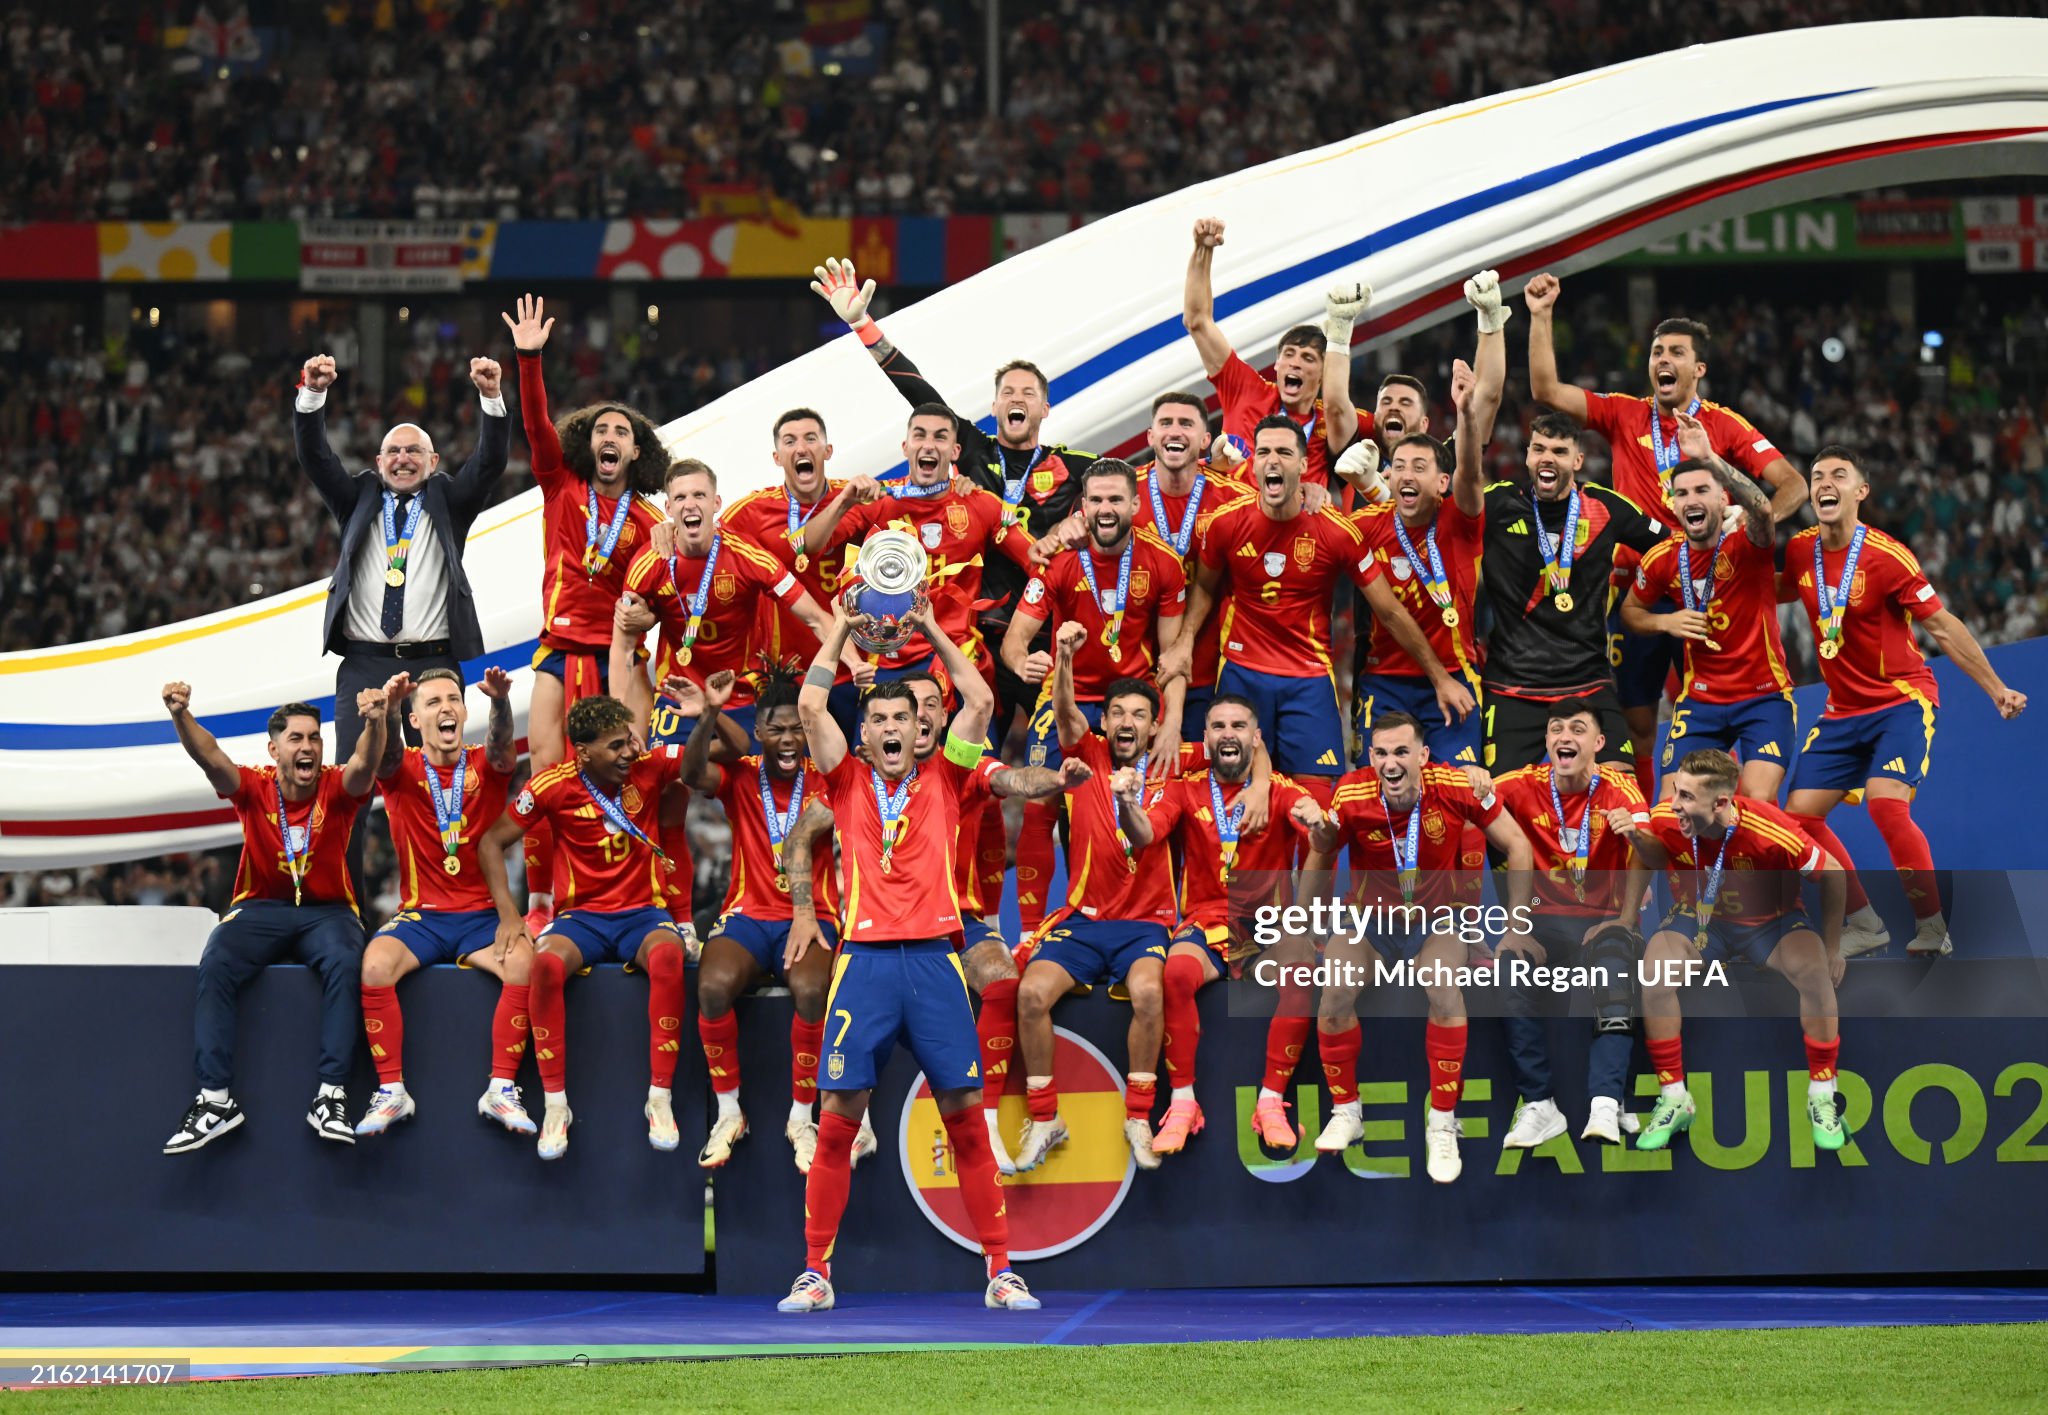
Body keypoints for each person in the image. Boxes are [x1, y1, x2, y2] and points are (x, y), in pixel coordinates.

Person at [778, 598, 1070, 1315]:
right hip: (866, 963)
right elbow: (813, 707)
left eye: (901, 718)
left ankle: (1001, 1269)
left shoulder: (949, 773)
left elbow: (978, 696)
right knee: (838, 1116)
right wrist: (843, 625)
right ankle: (816, 1270)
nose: (889, 729)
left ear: (920, 727)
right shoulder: (843, 779)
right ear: (867, 731)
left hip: (937, 962)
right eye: (877, 720)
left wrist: (933, 625)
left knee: (967, 1116)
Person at [1525, 274, 1806, 793]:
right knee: (1638, 726)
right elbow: (1545, 390)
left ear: (1698, 369)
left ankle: (1729, 828)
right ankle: (1660, 821)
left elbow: (1792, 486)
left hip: (1708, 589)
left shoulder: (1725, 426)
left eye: (1676, 351)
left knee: (1701, 714)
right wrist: (1541, 315)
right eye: (1657, 351)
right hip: (1640, 589)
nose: (1663, 359)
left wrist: (1747, 517)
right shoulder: (1623, 413)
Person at [811, 256, 1098, 735]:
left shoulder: (1076, 466)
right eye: (1007, 392)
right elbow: (915, 389)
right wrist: (862, 324)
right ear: (993, 406)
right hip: (970, 640)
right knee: (964, 757)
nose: (1017, 400)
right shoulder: (968, 451)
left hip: (1033, 634)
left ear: (1046, 407)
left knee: (1055, 752)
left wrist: (1080, 524)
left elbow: (1130, 490)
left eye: (1029, 393)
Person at [1780, 447, 2027, 957]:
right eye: (1817, 476)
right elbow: (1769, 590)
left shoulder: (1888, 557)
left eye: (1838, 476)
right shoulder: (1800, 551)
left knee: (1886, 805)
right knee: (1799, 817)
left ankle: (1933, 927)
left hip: (1900, 700)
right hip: (1841, 708)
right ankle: (1864, 922)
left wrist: (1996, 687)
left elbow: (1943, 626)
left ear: (1860, 492)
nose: (1825, 483)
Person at [1160, 415, 1467, 812]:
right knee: (1238, 795)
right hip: (1240, 670)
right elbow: (1203, 586)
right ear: (1252, 465)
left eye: (1285, 452)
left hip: (1308, 678)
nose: (1273, 461)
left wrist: (1440, 678)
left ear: (1304, 466)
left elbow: (1388, 611)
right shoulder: (1224, 524)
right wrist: (1185, 641)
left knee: (1314, 806)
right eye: (1265, 452)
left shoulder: (1336, 531)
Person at [292, 349, 509, 894]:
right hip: (363, 663)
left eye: (415, 450)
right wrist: (313, 395)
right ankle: (346, 910)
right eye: (394, 450)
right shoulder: (358, 495)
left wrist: (490, 397)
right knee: (350, 787)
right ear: (378, 459)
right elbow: (316, 458)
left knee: (442, 782)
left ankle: (449, 901)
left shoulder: (450, 500)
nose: (404, 458)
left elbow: (488, 465)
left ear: (433, 461)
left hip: (433, 664)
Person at [502, 293, 671, 937]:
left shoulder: (653, 524)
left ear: (635, 454)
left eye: (621, 432)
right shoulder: (559, 486)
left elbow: (667, 597)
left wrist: (666, 563)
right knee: (547, 773)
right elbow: (537, 424)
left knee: (637, 767)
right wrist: (529, 357)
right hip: (560, 648)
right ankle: (542, 900)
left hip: (620, 658)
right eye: (600, 428)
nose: (609, 436)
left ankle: (648, 899)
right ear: (587, 443)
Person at [1305, 714, 1532, 1182]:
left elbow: (1517, 845)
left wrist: (1516, 926)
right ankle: (1347, 1111)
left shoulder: (1455, 787)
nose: (1391, 764)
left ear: (1423, 757)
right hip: (1369, 924)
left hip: (1439, 922)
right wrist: (1300, 926)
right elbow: (1321, 854)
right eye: (1381, 754)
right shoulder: (1350, 794)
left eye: (1402, 752)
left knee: (1443, 984)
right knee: (1334, 992)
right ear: (1370, 758)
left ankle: (1443, 1124)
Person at [160, 684, 386, 1154]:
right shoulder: (254, 788)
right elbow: (211, 758)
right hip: (261, 908)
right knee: (218, 957)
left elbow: (365, 765)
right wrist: (182, 715)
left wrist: (374, 721)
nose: (308, 747)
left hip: (327, 912)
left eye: (314, 738)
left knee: (349, 960)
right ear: (274, 748)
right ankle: (215, 1101)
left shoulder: (336, 787)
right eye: (297, 739)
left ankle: (331, 1096)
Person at [479, 696, 692, 1161]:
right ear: (583, 751)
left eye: (628, 741)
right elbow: (491, 841)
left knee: (669, 957)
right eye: (614, 746)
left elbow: (715, 755)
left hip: (643, 913)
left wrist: (708, 713)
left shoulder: (648, 766)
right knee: (546, 966)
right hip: (583, 920)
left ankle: (661, 1098)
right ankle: (556, 1107)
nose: (626, 754)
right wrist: (510, 916)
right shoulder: (552, 785)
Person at [1112, 694, 1319, 1156]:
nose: (1229, 733)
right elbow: (1145, 834)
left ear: (1256, 737)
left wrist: (1316, 822)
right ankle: (1184, 1104)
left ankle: (1270, 1102)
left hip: (1268, 926)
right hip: (1206, 921)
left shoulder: (1281, 789)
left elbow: (1323, 836)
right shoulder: (1185, 789)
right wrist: (1128, 804)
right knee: (1175, 975)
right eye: (1219, 726)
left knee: (1302, 971)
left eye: (1240, 725)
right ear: (1204, 739)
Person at [1619, 749, 1850, 1153]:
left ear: (1722, 803)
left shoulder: (1771, 830)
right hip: (1699, 920)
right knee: (1654, 975)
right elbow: (1650, 854)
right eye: (1676, 792)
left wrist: (1833, 948)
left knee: (1814, 972)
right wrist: (1627, 915)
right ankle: (1675, 1099)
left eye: (1687, 797)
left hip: (1771, 925)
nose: (1675, 804)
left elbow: (1833, 874)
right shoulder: (1667, 819)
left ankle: (1823, 1096)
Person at [1014, 628, 1183, 1172]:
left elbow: (1144, 837)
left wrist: (1129, 801)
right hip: (1084, 923)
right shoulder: (1085, 753)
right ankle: (1044, 1118)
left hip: (1145, 926)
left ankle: (1138, 1116)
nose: (1127, 723)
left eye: (1138, 714)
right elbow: (1064, 715)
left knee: (1148, 994)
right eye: (1117, 714)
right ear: (1105, 722)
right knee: (1032, 993)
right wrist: (1063, 657)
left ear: (1154, 724)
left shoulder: (1169, 774)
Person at [1002, 459, 1187, 930]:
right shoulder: (1059, 562)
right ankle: (1028, 933)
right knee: (1042, 798)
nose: (1106, 509)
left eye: (1115, 500)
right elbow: (1014, 643)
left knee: (1157, 808)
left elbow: (1172, 658)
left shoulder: (1163, 562)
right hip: (1070, 695)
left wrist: (1171, 723)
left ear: (1135, 504)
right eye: (1097, 500)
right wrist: (1024, 662)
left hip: (1134, 703)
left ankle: (1165, 919)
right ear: (1083, 508)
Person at [672, 665, 842, 1173]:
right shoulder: (742, 774)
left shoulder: (831, 778)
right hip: (748, 913)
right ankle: (729, 1113)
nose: (789, 740)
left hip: (814, 915)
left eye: (798, 729)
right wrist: (710, 715)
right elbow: (689, 774)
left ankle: (802, 1118)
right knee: (712, 986)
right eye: (778, 730)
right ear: (761, 733)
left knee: (813, 992)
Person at [355, 666, 536, 1138]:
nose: (446, 709)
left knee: (524, 966)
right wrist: (389, 710)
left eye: (453, 699)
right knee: (374, 966)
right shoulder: (400, 771)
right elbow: (387, 754)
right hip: (421, 919)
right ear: (416, 721)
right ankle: (391, 1091)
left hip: (481, 918)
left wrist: (498, 701)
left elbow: (503, 746)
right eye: (432, 703)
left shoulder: (484, 764)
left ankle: (501, 1088)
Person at [1453, 393, 1671, 774]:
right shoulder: (1500, 502)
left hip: (1586, 681)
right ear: (1527, 456)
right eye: (1538, 449)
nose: (1547, 458)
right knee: (1498, 804)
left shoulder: (1605, 506)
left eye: (1558, 450)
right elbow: (1461, 490)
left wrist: (1640, 596)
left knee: (1620, 789)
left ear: (1577, 460)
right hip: (1512, 686)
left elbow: (1672, 548)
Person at [1490, 700, 1652, 1146]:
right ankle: (1540, 1104)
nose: (1565, 736)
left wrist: (1624, 917)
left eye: (1578, 729)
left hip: (1601, 923)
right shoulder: (1519, 784)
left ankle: (1605, 1103)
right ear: (1546, 741)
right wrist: (1473, 779)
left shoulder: (1621, 789)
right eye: (1556, 728)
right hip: (1542, 922)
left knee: (1615, 969)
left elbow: (1653, 854)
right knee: (1509, 966)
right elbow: (1465, 801)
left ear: (1598, 743)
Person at [799, 403, 1037, 692]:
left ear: (955, 451)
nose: (928, 445)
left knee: (974, 739)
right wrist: (843, 501)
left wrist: (1018, 637)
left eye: (940, 437)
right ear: (905, 446)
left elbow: (1039, 563)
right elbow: (806, 548)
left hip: (958, 660)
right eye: (920, 435)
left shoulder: (978, 502)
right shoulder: (878, 501)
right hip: (888, 662)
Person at [614, 459, 850, 749]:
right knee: (671, 782)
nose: (690, 504)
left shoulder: (749, 557)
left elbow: (815, 617)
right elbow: (623, 647)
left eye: (699, 495)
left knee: (751, 784)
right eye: (680, 497)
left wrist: (855, 661)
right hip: (679, 692)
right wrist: (620, 721)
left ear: (716, 503)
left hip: (742, 695)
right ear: (668, 509)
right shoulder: (648, 562)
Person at [719, 408, 865, 734]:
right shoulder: (750, 513)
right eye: (790, 441)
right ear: (777, 456)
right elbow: (702, 541)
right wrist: (668, 532)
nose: (801, 448)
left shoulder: (855, 499)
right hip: (787, 676)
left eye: (810, 439)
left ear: (827, 451)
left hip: (852, 670)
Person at [1180, 217, 1342, 486]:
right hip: (1233, 523)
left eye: (1308, 358)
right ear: (1276, 365)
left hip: (1301, 526)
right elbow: (1197, 321)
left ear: (1324, 374)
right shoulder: (1247, 389)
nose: (1295, 364)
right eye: (1288, 354)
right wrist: (1202, 250)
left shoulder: (1334, 419)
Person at [1131, 391, 1249, 740]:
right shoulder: (1122, 496)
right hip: (1136, 673)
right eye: (1165, 423)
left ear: (1204, 439)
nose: (1175, 431)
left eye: (1187, 424)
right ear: (1151, 436)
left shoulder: (1235, 500)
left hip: (1213, 672)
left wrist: (1308, 491)